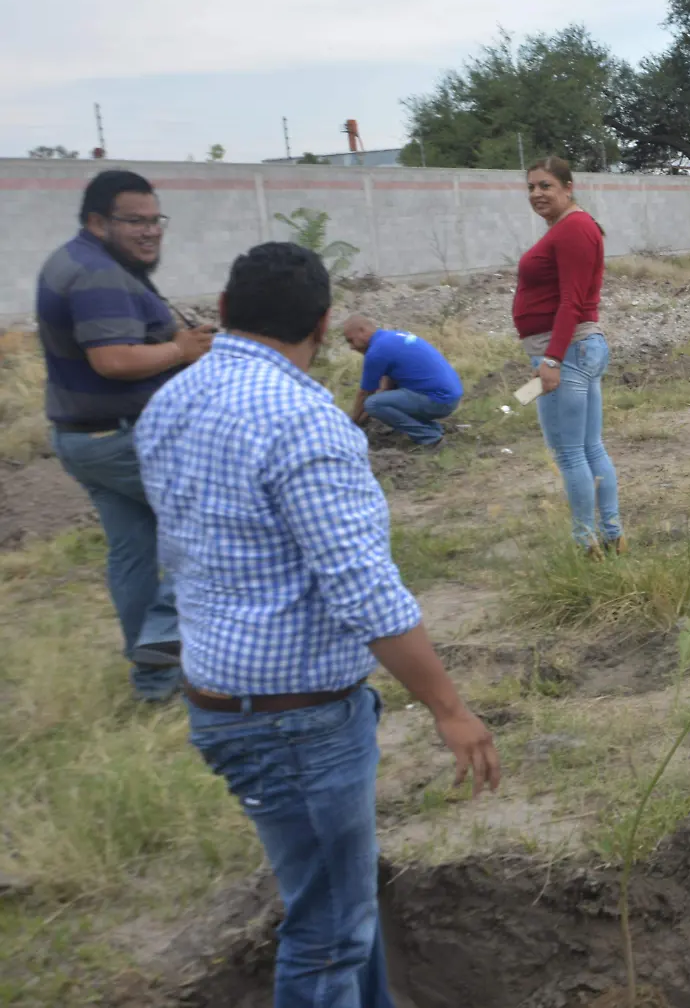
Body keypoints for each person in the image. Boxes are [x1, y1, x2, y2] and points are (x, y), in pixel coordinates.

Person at [137, 241, 500, 1006]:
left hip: (217, 701)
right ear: (326, 323)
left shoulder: (169, 401)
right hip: (296, 723)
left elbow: (175, 546)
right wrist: (451, 709)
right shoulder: (308, 423)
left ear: (227, 312)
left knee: (340, 903)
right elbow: (365, 591)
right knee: (328, 937)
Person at [35, 169, 215, 702]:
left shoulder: (79, 261)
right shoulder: (98, 276)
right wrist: (181, 351)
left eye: (154, 219)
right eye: (133, 221)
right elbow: (113, 359)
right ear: (96, 222)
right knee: (220, 516)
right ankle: (163, 638)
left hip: (83, 438)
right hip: (120, 439)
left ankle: (155, 684)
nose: (149, 231)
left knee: (133, 553)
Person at [512, 156, 622, 554]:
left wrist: (553, 359)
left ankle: (587, 544)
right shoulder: (569, 227)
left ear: (568, 187)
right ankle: (611, 536)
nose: (537, 194)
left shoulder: (573, 228)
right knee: (589, 447)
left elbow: (571, 302)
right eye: (531, 187)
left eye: (545, 186)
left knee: (572, 452)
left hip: (566, 351)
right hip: (574, 348)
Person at [341, 315, 463, 447]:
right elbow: (387, 384)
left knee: (373, 404)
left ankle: (431, 438)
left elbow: (365, 393)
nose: (351, 347)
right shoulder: (393, 337)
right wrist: (364, 417)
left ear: (362, 331)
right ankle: (432, 429)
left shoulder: (376, 352)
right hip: (450, 395)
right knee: (380, 401)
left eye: (351, 341)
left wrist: (352, 423)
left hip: (439, 399)